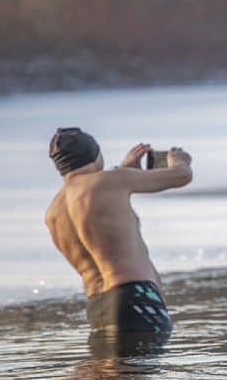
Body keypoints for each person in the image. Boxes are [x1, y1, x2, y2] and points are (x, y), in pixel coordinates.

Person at [45, 127, 192, 337]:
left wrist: (122, 170)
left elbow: (96, 206)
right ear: (94, 155)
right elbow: (181, 176)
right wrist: (179, 160)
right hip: (135, 298)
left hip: (97, 307)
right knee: (145, 367)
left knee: (110, 370)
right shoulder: (111, 181)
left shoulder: (53, 211)